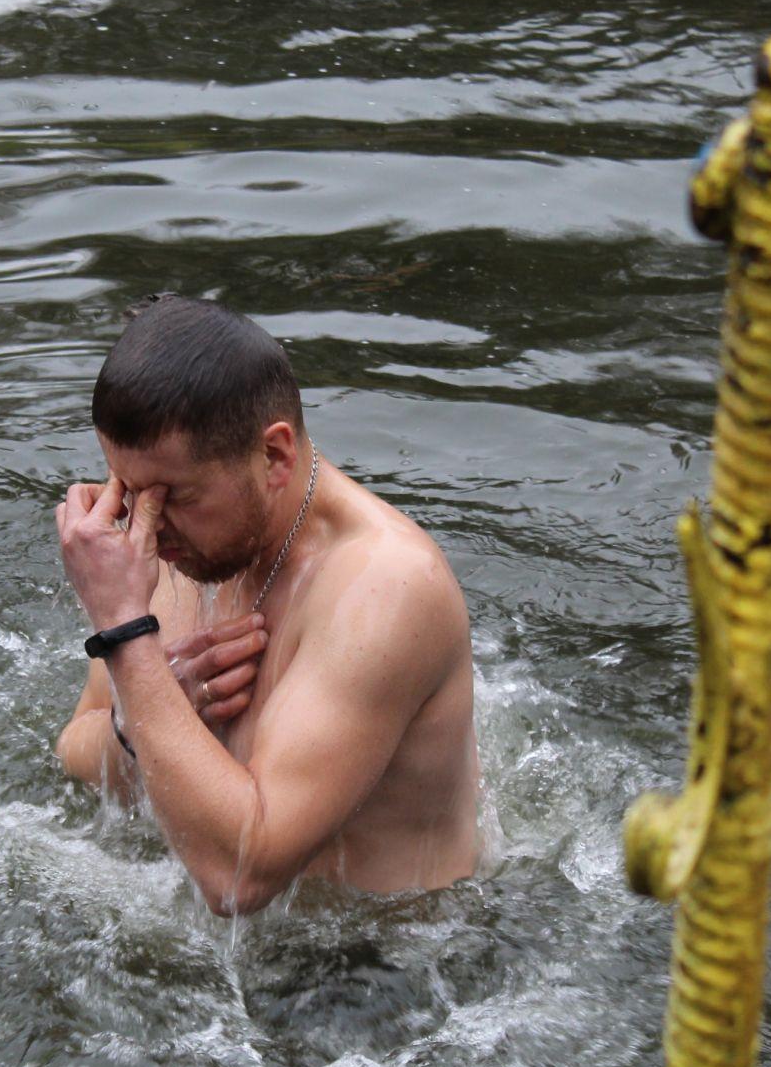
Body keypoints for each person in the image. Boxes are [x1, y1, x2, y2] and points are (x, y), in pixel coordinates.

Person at [55, 294, 481, 915]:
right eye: (130, 489)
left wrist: (124, 632)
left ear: (275, 456)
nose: (144, 527)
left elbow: (240, 877)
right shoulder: (181, 545)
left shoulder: (387, 586)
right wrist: (139, 718)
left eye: (175, 496)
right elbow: (75, 748)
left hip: (389, 964)